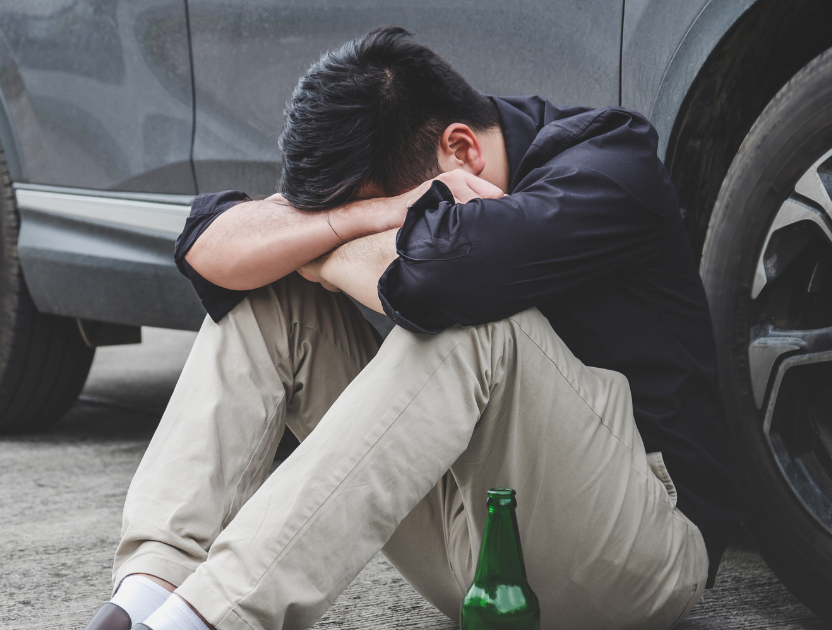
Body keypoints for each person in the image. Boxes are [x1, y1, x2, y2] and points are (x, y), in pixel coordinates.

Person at [82, 26, 742, 630]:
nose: (382, 221)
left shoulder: (608, 165)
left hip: (641, 549)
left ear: (461, 149)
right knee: (265, 299)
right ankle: (141, 599)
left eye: (383, 212)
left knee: (477, 325)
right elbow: (209, 247)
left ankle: (205, 621)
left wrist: (321, 247)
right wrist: (359, 221)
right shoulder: (403, 160)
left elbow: (439, 278)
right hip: (474, 551)